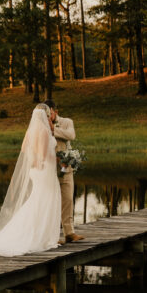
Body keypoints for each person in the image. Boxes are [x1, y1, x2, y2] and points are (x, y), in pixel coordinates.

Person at [0, 104, 61, 256]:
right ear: (44, 115)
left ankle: (36, 234)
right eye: (47, 115)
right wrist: (59, 158)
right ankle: (39, 236)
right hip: (43, 170)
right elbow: (42, 156)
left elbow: (24, 149)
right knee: (44, 201)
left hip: (35, 171)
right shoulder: (43, 131)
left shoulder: (31, 132)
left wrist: (33, 160)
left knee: (38, 201)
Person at [46, 100, 83, 243]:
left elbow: (71, 135)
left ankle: (69, 233)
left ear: (55, 111)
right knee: (51, 203)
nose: (48, 117)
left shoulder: (67, 122)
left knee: (67, 199)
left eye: (50, 113)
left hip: (66, 167)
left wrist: (53, 130)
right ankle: (52, 236)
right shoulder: (41, 126)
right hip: (49, 169)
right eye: (46, 115)